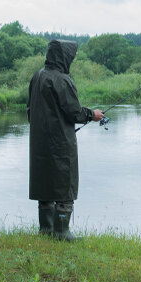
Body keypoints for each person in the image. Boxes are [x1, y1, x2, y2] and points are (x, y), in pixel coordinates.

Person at [27, 39, 103, 241]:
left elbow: (29, 111)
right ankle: (62, 232)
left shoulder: (37, 76)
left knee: (44, 183)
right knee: (65, 184)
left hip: (38, 143)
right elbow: (75, 113)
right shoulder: (62, 80)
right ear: (64, 56)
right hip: (61, 143)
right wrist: (92, 115)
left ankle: (45, 230)